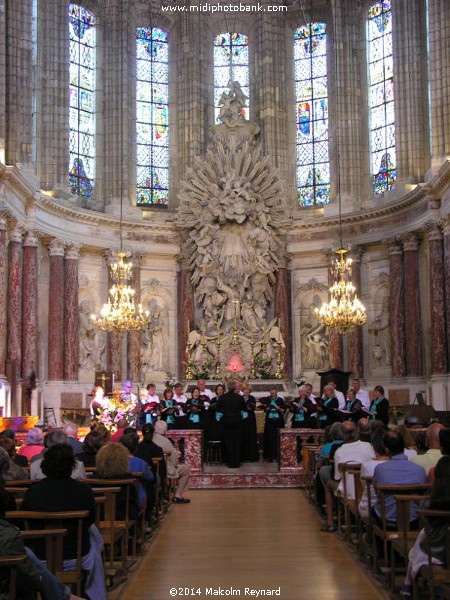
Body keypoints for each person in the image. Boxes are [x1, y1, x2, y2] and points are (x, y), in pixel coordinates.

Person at [21, 444, 106, 600]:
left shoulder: (32, 492)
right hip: (76, 555)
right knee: (95, 539)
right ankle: (95, 595)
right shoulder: (83, 490)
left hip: (41, 556)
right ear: (71, 466)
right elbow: (89, 520)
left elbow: (25, 523)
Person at [0, 488, 81, 600]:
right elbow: (33, 578)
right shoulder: (9, 537)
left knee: (27, 553)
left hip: (40, 553)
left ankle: (64, 594)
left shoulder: (32, 493)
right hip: (9, 593)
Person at [401, 456, 450, 597]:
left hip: (438, 551)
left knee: (422, 535)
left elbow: (422, 512)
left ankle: (408, 581)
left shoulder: (431, 504)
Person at [321, 421, 375, 532]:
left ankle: (330, 522)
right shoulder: (368, 447)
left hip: (348, 491)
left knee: (329, 485)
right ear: (357, 432)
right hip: (367, 489)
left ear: (342, 434)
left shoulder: (340, 452)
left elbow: (337, 477)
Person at [372, 431, 427, 527]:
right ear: (404, 447)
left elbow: (377, 493)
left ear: (386, 449)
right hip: (413, 520)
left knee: (373, 508)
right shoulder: (420, 470)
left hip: (386, 521)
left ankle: (375, 540)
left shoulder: (380, 469)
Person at [94, 443, 139, 521]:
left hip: (98, 518)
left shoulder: (94, 478)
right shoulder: (127, 479)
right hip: (123, 516)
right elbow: (133, 500)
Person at [153, 420, 191, 504]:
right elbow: (174, 461)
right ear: (165, 430)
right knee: (186, 469)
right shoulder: (166, 441)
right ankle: (178, 495)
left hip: (152, 469)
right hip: (164, 470)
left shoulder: (150, 439)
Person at [358, 427, 390, 519]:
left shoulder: (367, 465)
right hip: (395, 509)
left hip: (371, 507)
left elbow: (364, 486)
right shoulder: (398, 464)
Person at [119, 433, 155, 510]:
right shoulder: (141, 463)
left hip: (117, 499)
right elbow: (150, 477)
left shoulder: (114, 462)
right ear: (136, 448)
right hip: (136, 499)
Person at [217, 382, 245, 468]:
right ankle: (236, 462)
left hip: (227, 420)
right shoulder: (239, 397)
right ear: (235, 388)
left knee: (228, 441)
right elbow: (243, 407)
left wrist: (226, 412)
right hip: (237, 420)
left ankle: (230, 462)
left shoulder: (223, 397)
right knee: (237, 441)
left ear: (228, 388)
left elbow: (218, 408)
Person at [262, 387, 285, 462]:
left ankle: (278, 455)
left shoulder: (280, 400)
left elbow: (283, 410)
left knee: (277, 438)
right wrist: (267, 409)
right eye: (271, 391)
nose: (272, 392)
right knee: (269, 438)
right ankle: (269, 456)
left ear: (276, 392)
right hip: (269, 421)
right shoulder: (267, 399)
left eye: (273, 391)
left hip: (278, 422)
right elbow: (265, 410)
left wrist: (279, 408)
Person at [240, 385, 258, 462]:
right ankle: (243, 456)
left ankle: (252, 456)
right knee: (243, 437)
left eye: (247, 390)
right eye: (244, 390)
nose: (246, 391)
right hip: (242, 420)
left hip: (250, 420)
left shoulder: (252, 398)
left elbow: (251, 408)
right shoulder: (240, 398)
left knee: (251, 437)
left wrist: (247, 408)